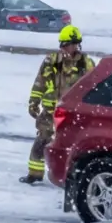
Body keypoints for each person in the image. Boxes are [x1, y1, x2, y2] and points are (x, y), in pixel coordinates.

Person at [24, 25, 94, 185]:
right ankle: (34, 173)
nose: (68, 48)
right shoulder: (51, 61)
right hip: (50, 111)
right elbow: (39, 82)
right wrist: (33, 102)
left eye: (72, 44)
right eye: (65, 44)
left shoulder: (86, 64)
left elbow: (92, 87)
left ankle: (70, 178)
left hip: (72, 113)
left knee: (72, 145)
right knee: (42, 140)